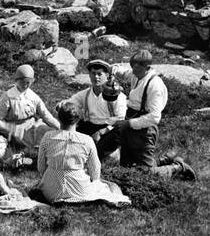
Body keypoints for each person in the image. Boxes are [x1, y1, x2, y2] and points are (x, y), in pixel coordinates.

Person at [97, 50, 195, 179]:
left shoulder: (155, 85)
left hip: (144, 131)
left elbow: (155, 117)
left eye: (136, 68)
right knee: (126, 169)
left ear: (147, 67)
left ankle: (178, 167)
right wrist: (112, 69)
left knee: (145, 174)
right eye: (132, 66)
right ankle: (164, 160)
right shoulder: (137, 75)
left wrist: (129, 123)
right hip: (129, 127)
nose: (133, 71)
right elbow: (126, 72)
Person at [36, 100, 131, 207]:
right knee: (110, 186)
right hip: (79, 191)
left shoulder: (48, 137)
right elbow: (95, 173)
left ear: (59, 118)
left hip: (50, 192)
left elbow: (41, 167)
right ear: (78, 120)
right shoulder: (87, 140)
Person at [0, 64, 60, 160]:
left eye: (28, 82)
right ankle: (27, 153)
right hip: (14, 127)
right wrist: (10, 128)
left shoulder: (33, 97)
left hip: (32, 125)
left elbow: (46, 115)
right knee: (22, 138)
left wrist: (61, 128)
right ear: (16, 80)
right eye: (22, 82)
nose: (25, 85)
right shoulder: (7, 97)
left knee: (50, 133)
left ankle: (47, 153)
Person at [64, 58, 127, 141]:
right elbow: (71, 102)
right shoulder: (85, 94)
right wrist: (62, 105)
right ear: (89, 75)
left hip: (108, 128)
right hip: (90, 126)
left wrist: (102, 132)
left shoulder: (116, 96)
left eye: (99, 74)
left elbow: (120, 118)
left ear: (107, 76)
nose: (96, 77)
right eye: (93, 73)